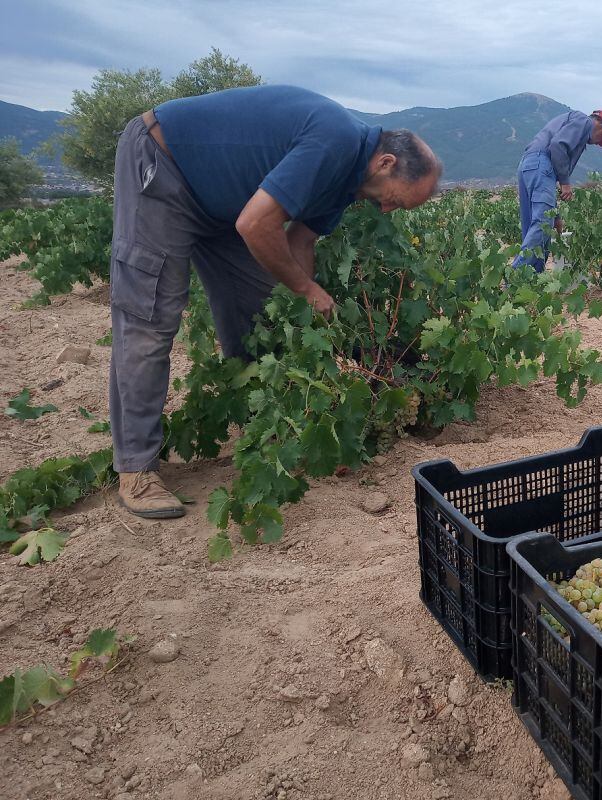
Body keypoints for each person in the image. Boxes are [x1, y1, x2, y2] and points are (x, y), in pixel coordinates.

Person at [109, 84, 441, 519]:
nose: (384, 211)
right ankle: (136, 469)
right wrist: (307, 290)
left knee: (255, 311)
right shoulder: (335, 140)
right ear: (386, 163)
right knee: (150, 318)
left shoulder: (348, 183)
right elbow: (254, 224)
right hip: (164, 166)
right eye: (393, 200)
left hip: (224, 205)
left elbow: (300, 241)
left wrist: (310, 314)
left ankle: (261, 425)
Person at [512, 109, 602, 273]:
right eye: (601, 139)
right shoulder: (584, 121)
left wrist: (556, 217)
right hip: (540, 163)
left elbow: (549, 176)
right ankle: (515, 276)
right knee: (542, 224)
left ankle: (531, 280)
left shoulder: (571, 121)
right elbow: (557, 146)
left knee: (536, 225)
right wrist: (565, 183)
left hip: (528, 165)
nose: (596, 143)